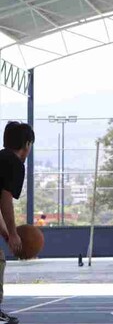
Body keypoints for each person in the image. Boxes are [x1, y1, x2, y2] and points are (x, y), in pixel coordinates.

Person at [0, 121, 34, 324]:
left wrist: (6, 233)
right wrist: (13, 233)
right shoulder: (14, 163)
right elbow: (5, 200)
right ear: (27, 144)